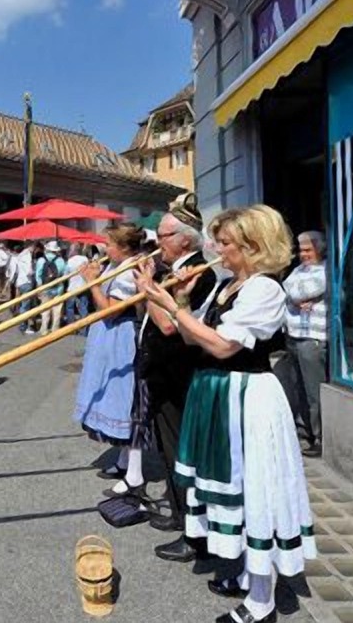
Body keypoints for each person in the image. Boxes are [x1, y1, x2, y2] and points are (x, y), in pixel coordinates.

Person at [137, 205, 315, 623]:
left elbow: (221, 346)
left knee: (255, 490)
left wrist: (171, 305)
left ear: (253, 246)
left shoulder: (265, 288)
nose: (217, 249)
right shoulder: (227, 285)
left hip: (247, 396)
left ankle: (262, 601)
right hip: (220, 393)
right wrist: (178, 298)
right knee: (230, 487)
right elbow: (191, 337)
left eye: (226, 243)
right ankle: (246, 575)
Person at [136, 197, 219, 562]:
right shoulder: (173, 270)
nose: (158, 242)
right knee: (167, 451)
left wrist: (148, 289)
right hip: (162, 373)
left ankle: (193, 532)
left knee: (181, 452)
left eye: (164, 235)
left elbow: (170, 325)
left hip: (179, 376)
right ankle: (178, 511)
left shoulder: (200, 272)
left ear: (184, 239)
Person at [72, 223, 145, 486]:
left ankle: (133, 469)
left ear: (124, 247)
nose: (105, 249)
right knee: (113, 395)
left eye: (109, 244)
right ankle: (124, 460)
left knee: (123, 399)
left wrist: (92, 282)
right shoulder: (116, 265)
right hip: (109, 335)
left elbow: (111, 311)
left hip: (120, 335)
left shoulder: (128, 271)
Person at [281, 230, 328, 458]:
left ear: (320, 249)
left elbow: (305, 290)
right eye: (301, 250)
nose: (303, 254)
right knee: (298, 387)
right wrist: (295, 297)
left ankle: (319, 437)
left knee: (313, 391)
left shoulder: (327, 270)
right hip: (294, 334)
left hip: (312, 337)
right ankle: (304, 432)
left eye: (308, 250)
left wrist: (296, 296)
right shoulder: (299, 270)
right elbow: (286, 289)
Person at [34, 240, 68, 335]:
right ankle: (55, 329)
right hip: (58, 288)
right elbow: (65, 274)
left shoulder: (41, 260)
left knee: (45, 310)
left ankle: (44, 329)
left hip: (45, 288)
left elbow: (38, 275)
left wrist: (39, 286)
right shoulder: (61, 261)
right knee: (57, 310)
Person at [64, 244, 92, 334]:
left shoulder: (70, 261)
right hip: (83, 286)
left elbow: (66, 274)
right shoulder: (85, 259)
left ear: (73, 250)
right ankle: (84, 330)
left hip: (72, 287)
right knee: (83, 308)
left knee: (70, 308)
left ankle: (71, 329)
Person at [11, 244, 35, 333]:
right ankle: (23, 326)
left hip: (20, 282)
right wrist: (33, 270)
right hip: (26, 282)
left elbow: (16, 270)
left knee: (22, 305)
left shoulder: (20, 256)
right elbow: (29, 272)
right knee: (25, 306)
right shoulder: (28, 257)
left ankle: (23, 325)